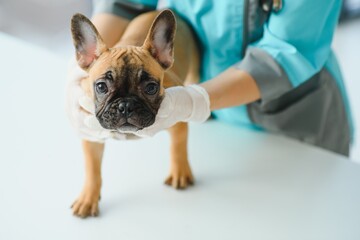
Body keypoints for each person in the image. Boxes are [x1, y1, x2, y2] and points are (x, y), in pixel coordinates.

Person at [67, 0, 354, 156]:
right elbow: (125, 3)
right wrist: (83, 70)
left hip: (294, 116)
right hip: (209, 119)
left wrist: (196, 100)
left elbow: (286, 51)